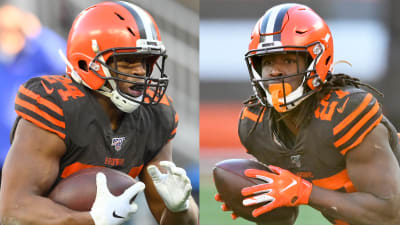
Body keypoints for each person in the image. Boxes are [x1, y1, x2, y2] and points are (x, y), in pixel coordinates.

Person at [0, 1, 198, 225]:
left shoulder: (155, 115)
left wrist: (180, 208)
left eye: (146, 60)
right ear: (87, 62)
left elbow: (174, 219)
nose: (140, 71)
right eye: (127, 60)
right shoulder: (57, 106)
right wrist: (91, 220)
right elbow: (13, 211)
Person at [215, 3, 400, 225]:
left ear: (317, 60)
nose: (275, 71)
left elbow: (389, 215)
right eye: (268, 61)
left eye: (288, 60)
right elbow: (287, 215)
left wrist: (304, 192)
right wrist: (261, 200)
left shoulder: (345, 112)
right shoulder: (255, 125)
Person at [0, 4, 66, 176]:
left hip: (35, 154)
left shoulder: (38, 57)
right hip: (3, 155)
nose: (5, 36)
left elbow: (65, 62)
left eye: (11, 30)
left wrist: (36, 33)